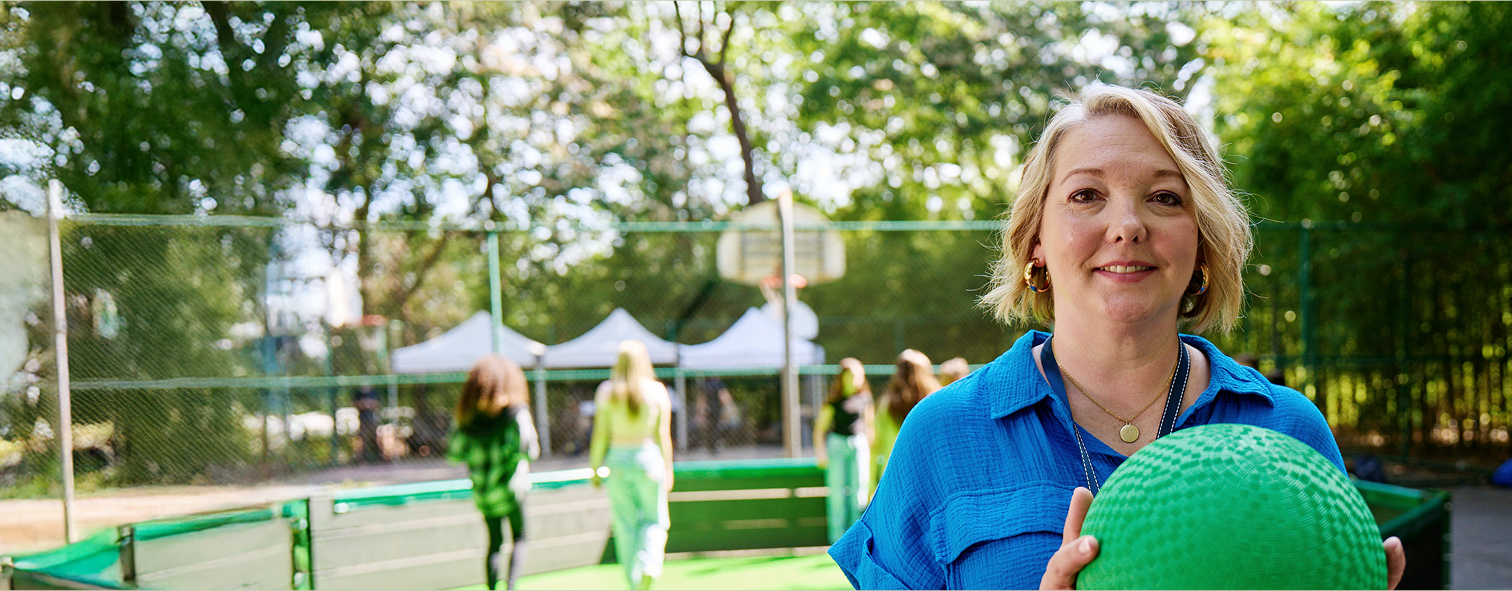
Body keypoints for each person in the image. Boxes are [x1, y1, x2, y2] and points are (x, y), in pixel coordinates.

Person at [827, 84, 1406, 590]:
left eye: (1165, 197)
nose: (1127, 225)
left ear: (1201, 242)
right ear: (1036, 241)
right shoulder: (943, 434)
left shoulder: (1289, 430)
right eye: (1086, 196)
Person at [448, 354, 540, 591]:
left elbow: (454, 453)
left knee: (494, 543)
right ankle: (510, 586)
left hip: (483, 492)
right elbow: (530, 450)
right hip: (511, 489)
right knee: (519, 538)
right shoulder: (514, 414)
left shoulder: (467, 418)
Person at [589, 340, 674, 591]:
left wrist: (595, 468)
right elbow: (663, 436)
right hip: (648, 460)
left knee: (625, 525)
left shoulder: (606, 391)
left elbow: (600, 435)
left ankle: (633, 583)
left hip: (617, 463)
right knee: (654, 520)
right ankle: (650, 564)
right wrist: (668, 470)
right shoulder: (657, 391)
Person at [812, 357, 874, 543]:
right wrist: (821, 453)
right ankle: (838, 541)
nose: (854, 379)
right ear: (842, 377)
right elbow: (820, 430)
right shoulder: (833, 401)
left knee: (859, 495)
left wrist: (870, 453)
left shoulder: (866, 400)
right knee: (837, 496)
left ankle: (857, 540)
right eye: (850, 375)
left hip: (858, 446)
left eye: (858, 375)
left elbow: (870, 428)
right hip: (837, 447)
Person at [871, 349, 941, 496]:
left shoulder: (885, 404)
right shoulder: (935, 401)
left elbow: (875, 444)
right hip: (929, 476)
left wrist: (871, 482)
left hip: (893, 477)